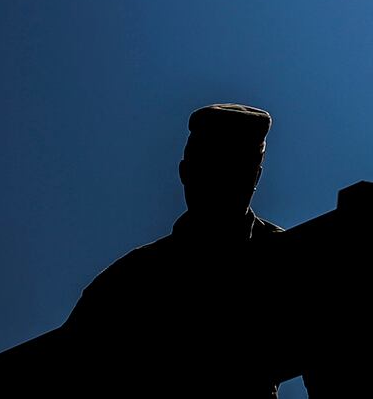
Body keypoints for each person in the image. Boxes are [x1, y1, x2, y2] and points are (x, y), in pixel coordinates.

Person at [58, 103, 291, 395]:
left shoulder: (286, 261)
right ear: (186, 172)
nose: (220, 181)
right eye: (210, 167)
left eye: (234, 169)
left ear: (254, 177)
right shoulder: (126, 282)